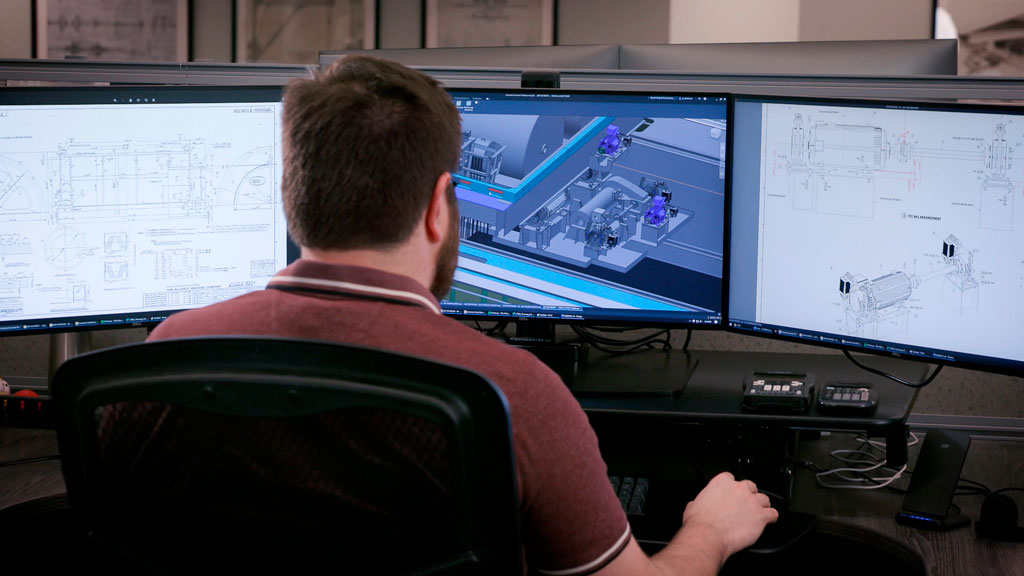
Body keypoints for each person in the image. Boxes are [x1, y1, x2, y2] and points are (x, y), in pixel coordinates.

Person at [147, 54, 777, 575]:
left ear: (291, 197)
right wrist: (709, 532)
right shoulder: (510, 394)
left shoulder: (168, 357)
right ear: (439, 209)